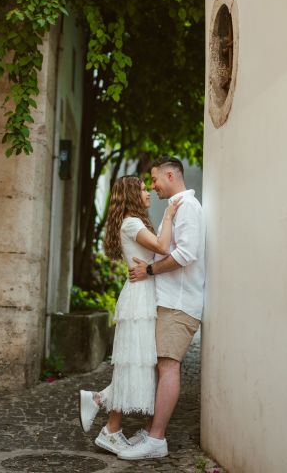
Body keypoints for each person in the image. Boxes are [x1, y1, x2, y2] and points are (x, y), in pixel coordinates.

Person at [78, 175, 182, 455]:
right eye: (143, 189)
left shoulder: (132, 223)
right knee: (136, 362)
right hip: (139, 298)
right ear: (133, 196)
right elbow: (162, 247)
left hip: (142, 293)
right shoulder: (132, 223)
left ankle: (101, 403)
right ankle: (109, 427)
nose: (148, 192)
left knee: (137, 362)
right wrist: (170, 214)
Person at [116, 156, 206, 461]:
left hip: (179, 303)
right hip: (168, 301)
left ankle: (156, 439)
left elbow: (185, 255)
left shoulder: (187, 208)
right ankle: (150, 429)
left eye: (154, 180)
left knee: (168, 366)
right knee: (160, 365)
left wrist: (149, 271)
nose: (152, 186)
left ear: (170, 175)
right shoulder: (178, 208)